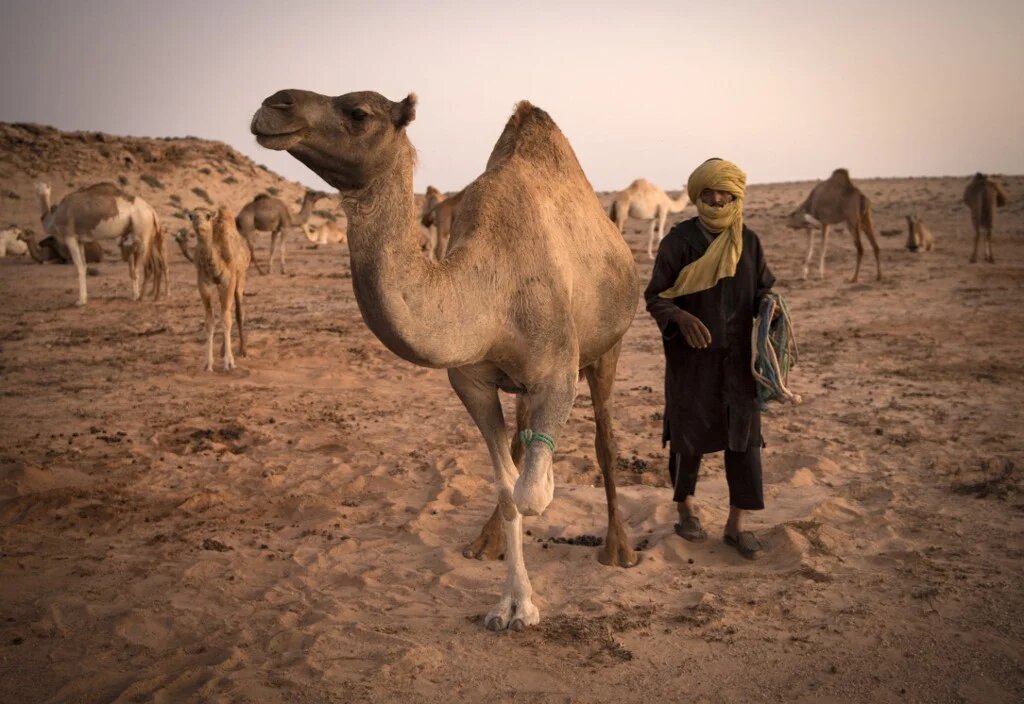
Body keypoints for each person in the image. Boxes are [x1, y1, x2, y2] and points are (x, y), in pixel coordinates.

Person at [644, 158, 775, 559]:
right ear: (698, 195)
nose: (717, 199)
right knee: (688, 436)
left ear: (736, 196)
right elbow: (655, 297)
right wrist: (680, 317)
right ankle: (685, 507)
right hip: (692, 359)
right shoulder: (678, 242)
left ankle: (737, 524)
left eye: (725, 193)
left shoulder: (748, 241)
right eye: (709, 193)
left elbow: (765, 288)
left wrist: (771, 305)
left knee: (745, 439)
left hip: (738, 360)